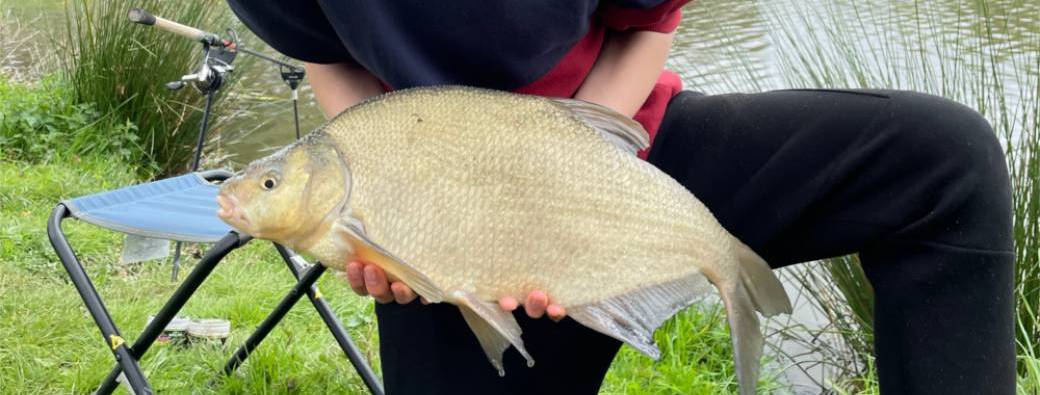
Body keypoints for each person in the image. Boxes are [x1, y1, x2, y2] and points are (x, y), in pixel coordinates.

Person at [226, 1, 1016, 394]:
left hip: (615, 152)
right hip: (447, 207)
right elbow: (329, 62)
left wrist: (574, 168)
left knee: (947, 163)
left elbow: (650, 16)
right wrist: (377, 222)